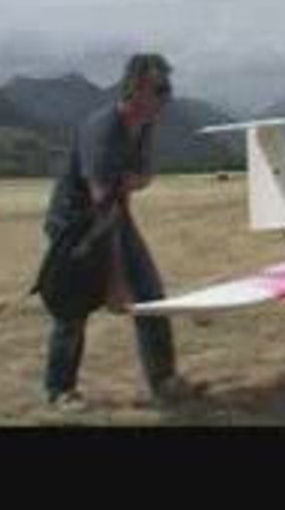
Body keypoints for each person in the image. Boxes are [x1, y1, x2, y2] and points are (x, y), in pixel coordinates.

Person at [41, 53, 206, 411]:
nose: (168, 97)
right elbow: (105, 205)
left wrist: (129, 183)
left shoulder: (144, 126)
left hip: (113, 213)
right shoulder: (104, 130)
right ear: (136, 89)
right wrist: (115, 282)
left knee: (150, 295)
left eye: (169, 89)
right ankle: (59, 389)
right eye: (160, 89)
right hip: (74, 223)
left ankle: (163, 381)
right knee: (73, 305)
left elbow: (143, 178)